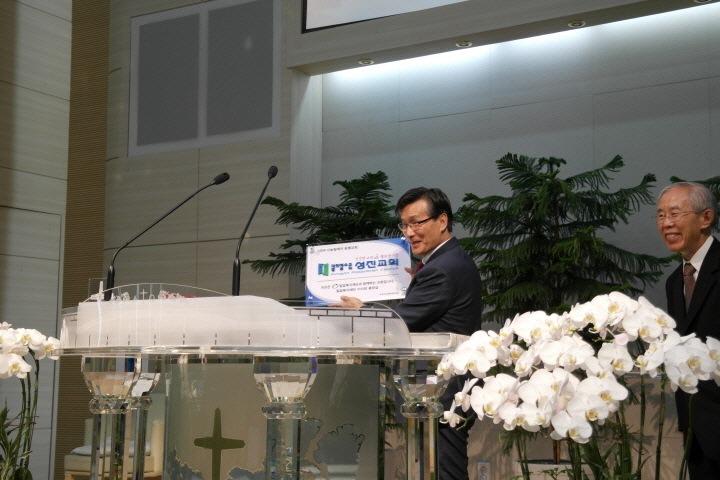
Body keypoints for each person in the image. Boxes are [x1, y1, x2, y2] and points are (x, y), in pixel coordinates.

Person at [338, 187, 483, 480]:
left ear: (442, 221)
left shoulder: (442, 268)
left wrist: (361, 309)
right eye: (404, 225)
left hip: (438, 392)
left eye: (416, 222)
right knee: (436, 469)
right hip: (436, 391)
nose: (409, 232)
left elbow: (400, 323)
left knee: (444, 471)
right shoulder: (447, 262)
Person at [656, 182, 720, 479]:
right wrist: (686, 424)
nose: (666, 223)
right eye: (660, 215)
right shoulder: (675, 281)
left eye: (675, 213)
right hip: (699, 432)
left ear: (706, 218)